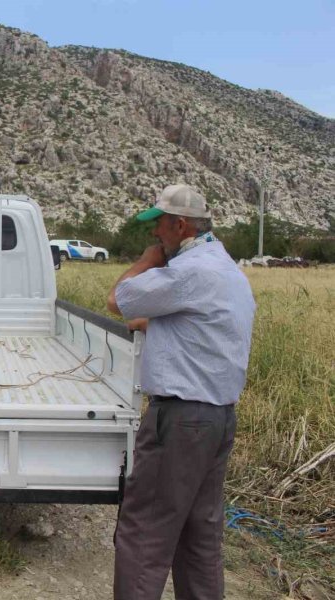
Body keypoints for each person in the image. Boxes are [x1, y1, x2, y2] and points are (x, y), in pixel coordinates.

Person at [107, 184, 255, 600]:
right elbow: (206, 332)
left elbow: (118, 299)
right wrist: (158, 327)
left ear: (180, 224)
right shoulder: (227, 269)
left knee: (145, 532)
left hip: (182, 420)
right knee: (199, 536)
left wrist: (145, 262)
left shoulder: (189, 271)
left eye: (159, 227)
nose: (155, 236)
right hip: (217, 418)